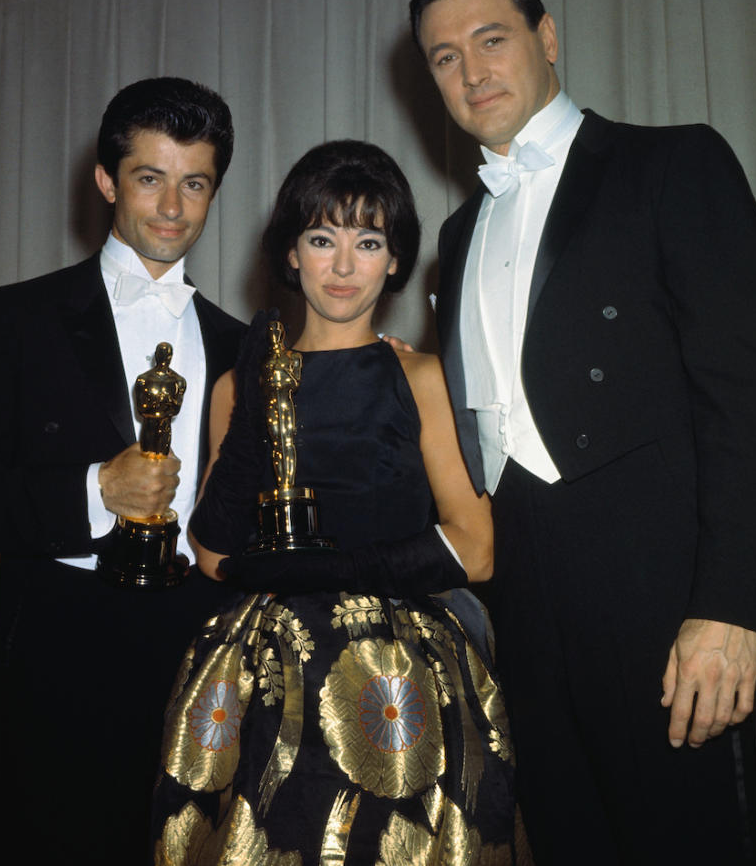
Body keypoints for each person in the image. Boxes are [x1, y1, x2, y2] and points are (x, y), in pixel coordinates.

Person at [408, 0, 756, 865]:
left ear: (547, 39)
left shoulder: (675, 163)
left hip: (667, 610)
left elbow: (752, 397)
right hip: (527, 615)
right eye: (443, 58)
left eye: (491, 39)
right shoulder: (459, 233)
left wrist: (731, 609)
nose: (470, 72)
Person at [150, 140, 529, 864]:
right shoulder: (241, 384)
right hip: (262, 681)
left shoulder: (421, 377)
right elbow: (212, 550)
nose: (345, 265)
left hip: (401, 673)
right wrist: (259, 394)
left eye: (368, 240)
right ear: (292, 254)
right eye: (322, 238)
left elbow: (476, 545)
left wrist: (330, 568)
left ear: (395, 259)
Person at [0, 77, 245, 865]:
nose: (172, 207)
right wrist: (96, 489)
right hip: (58, 663)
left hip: (201, 659)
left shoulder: (244, 344)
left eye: (193, 183)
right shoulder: (17, 317)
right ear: (106, 180)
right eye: (149, 177)